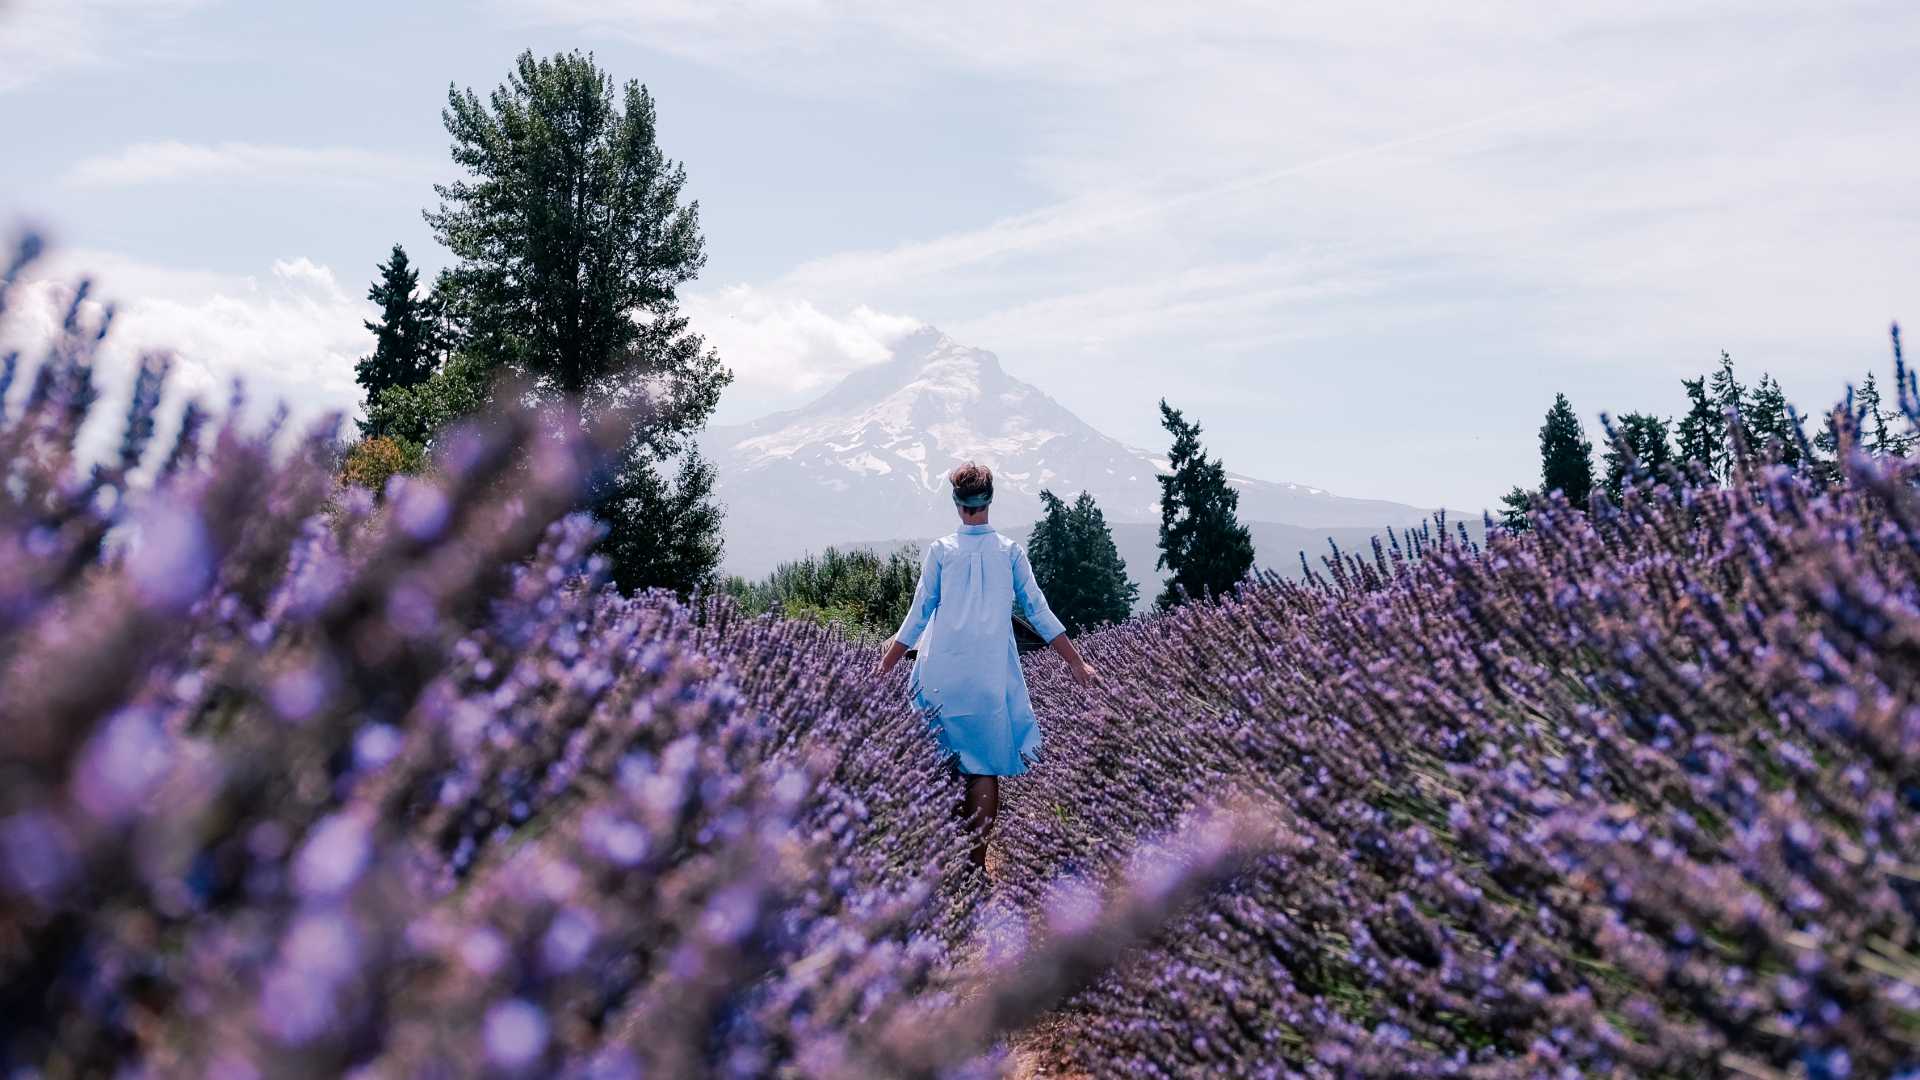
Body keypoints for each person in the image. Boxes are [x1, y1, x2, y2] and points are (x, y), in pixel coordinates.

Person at [876, 462, 1097, 871]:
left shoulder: (942, 552)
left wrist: (886, 665)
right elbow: (1040, 612)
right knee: (982, 768)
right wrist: (1077, 664)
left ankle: (941, 854)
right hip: (989, 679)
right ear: (990, 499)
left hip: (940, 676)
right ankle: (976, 862)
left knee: (938, 759)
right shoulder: (1009, 553)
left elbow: (917, 615)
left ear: (958, 505)